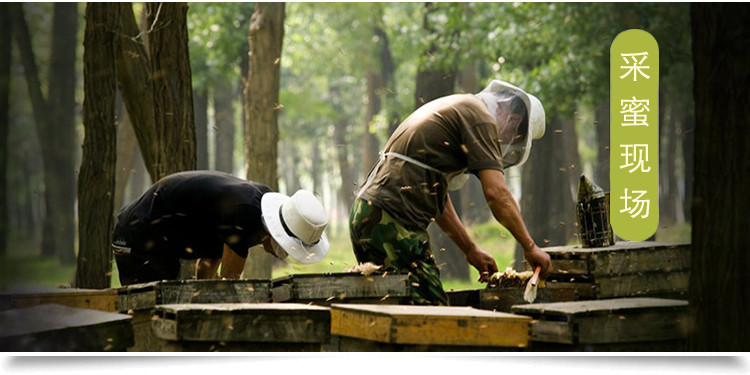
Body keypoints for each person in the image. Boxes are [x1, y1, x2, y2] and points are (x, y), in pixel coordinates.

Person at [349, 80, 553, 305]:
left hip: (368, 213)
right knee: (431, 313)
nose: (506, 144)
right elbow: (497, 193)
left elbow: (437, 196)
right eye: (514, 138)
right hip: (392, 220)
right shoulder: (481, 118)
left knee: (391, 307)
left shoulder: (463, 108)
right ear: (513, 122)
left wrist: (470, 249)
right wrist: (530, 247)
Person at [112, 170, 329, 285]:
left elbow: (207, 265)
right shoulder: (246, 216)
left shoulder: (252, 206)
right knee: (148, 314)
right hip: (136, 235)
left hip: (154, 237)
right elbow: (230, 287)